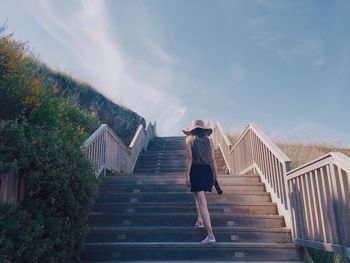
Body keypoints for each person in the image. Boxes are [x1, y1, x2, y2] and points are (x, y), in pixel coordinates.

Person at [182, 119, 219, 244]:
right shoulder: (209, 141)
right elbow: (213, 159)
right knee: (199, 197)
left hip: (196, 171)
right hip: (207, 171)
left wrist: (187, 175)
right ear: (203, 130)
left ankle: (210, 235)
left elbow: (190, 158)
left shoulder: (189, 140)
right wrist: (216, 176)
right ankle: (200, 220)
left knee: (202, 203)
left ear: (192, 129)